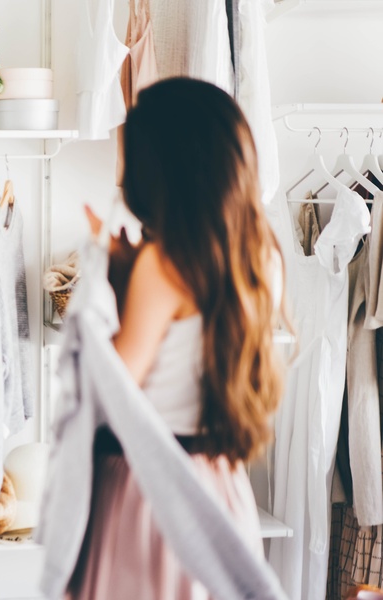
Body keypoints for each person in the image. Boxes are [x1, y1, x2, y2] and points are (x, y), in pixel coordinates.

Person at [67, 77, 286, 599]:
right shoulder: (262, 258)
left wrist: (111, 278)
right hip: (223, 488)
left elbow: (113, 396)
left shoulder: (163, 265)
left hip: (155, 492)